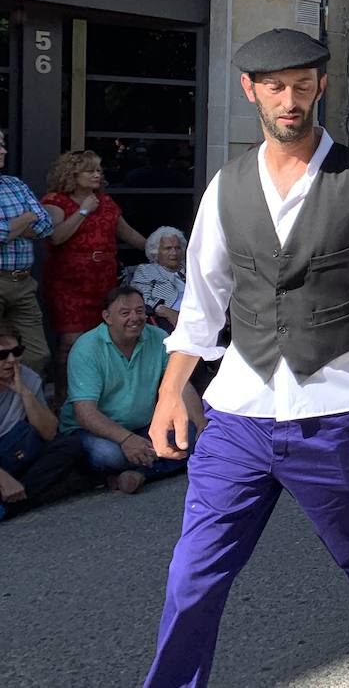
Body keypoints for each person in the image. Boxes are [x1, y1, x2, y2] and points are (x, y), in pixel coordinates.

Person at [142, 28, 349, 688]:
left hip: (334, 414)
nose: (289, 99)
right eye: (275, 85)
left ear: (320, 87)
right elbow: (201, 304)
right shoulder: (224, 188)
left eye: (301, 84)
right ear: (251, 89)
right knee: (193, 571)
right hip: (237, 417)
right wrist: (171, 391)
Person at [60, 286, 203, 495]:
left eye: (139, 311)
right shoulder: (86, 349)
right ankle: (153, 467)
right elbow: (85, 413)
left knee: (190, 433)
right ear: (107, 317)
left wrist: (200, 423)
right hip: (95, 432)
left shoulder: (157, 336)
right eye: (125, 313)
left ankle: (138, 474)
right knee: (107, 455)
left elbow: (180, 386)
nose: (135, 318)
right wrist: (126, 439)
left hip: (143, 427)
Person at [42, 149, 148, 402]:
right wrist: (83, 211)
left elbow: (129, 234)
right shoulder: (55, 201)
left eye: (99, 170)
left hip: (102, 282)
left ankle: (95, 396)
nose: (97, 175)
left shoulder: (106, 201)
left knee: (103, 340)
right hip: (68, 284)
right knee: (70, 342)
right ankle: (63, 399)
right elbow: (55, 237)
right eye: (90, 170)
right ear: (72, 174)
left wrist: (161, 249)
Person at [0, 331, 87, 520]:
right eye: (2, 355)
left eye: (17, 352)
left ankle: (10, 505)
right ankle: (22, 499)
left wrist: (25, 392)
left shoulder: (27, 377)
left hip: (14, 451)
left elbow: (48, 432)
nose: (11, 360)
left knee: (69, 446)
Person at [0, 130, 55, 378]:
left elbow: (45, 225)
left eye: (2, 145)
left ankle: (22, 408)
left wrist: (13, 226)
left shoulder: (15, 184)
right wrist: (26, 217)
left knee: (36, 354)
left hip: (23, 282)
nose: (4, 151)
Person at [130, 226, 188, 331]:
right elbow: (140, 299)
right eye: (168, 248)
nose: (174, 253)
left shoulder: (192, 269)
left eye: (177, 248)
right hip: (168, 321)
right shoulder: (146, 271)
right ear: (156, 251)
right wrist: (165, 311)